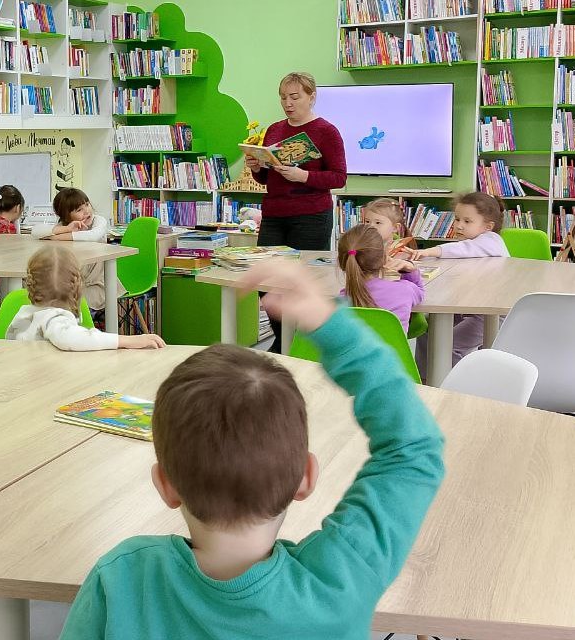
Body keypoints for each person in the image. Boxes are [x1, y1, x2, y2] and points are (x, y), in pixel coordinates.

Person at [59, 260, 445, 640]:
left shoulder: (122, 577)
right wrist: (330, 325)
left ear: (165, 484)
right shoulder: (341, 580)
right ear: (306, 476)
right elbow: (414, 448)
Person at [245, 72, 347, 346]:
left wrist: (304, 176)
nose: (288, 103)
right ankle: (283, 340)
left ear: (311, 97)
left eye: (294, 97)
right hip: (274, 215)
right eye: (283, 98)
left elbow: (339, 177)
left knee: (304, 284)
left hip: (311, 216)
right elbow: (266, 179)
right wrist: (257, 167)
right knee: (267, 282)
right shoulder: (274, 130)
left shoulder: (327, 131)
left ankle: (299, 344)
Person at [412, 192, 509, 366]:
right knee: (427, 329)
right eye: (457, 219)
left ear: (488, 226)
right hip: (468, 306)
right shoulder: (472, 242)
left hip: (492, 314)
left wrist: (428, 251)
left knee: (449, 347)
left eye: (467, 221)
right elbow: (457, 253)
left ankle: (451, 381)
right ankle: (425, 377)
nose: (459, 226)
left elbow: (463, 249)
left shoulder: (492, 240)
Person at [7, 246, 164, 350]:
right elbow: (71, 338)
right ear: (77, 286)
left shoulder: (24, 315)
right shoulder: (54, 319)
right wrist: (127, 341)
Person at [31, 188, 111, 314]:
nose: (87, 211)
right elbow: (36, 232)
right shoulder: (65, 226)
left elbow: (92, 236)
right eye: (79, 210)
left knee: (69, 307)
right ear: (66, 216)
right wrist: (67, 229)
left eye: (87, 204)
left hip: (97, 284)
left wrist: (55, 237)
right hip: (70, 285)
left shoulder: (98, 221)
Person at [337, 224, 425, 332]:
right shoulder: (404, 290)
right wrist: (410, 269)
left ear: (341, 263)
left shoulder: (341, 300)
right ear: (383, 258)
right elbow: (420, 292)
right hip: (393, 344)